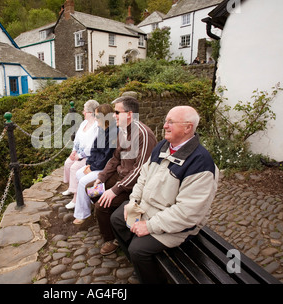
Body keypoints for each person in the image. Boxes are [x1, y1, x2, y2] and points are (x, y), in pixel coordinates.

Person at [110, 105, 219, 284]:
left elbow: (187, 213)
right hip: (148, 208)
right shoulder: (163, 146)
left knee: (139, 249)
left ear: (188, 127)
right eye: (165, 121)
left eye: (171, 122)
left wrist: (149, 226)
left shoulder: (201, 164)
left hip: (179, 225)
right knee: (117, 219)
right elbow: (143, 176)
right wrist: (133, 201)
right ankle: (143, 266)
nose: (165, 126)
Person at [93, 96, 156, 255]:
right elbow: (115, 159)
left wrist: (115, 189)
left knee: (101, 206)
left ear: (129, 114)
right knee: (92, 191)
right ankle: (109, 224)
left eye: (116, 112)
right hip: (120, 177)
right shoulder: (122, 132)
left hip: (134, 184)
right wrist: (101, 177)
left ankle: (112, 239)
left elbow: (139, 170)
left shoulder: (144, 134)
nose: (113, 115)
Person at [73, 104, 117, 225]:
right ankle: (93, 200)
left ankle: (83, 214)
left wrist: (92, 168)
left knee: (83, 182)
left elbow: (107, 157)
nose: (95, 118)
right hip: (96, 166)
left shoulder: (113, 133)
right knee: (79, 173)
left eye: (97, 116)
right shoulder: (102, 130)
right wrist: (89, 164)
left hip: (105, 169)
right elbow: (94, 150)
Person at [63, 100, 99, 209]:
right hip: (79, 152)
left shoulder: (97, 125)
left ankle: (76, 198)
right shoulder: (84, 123)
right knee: (67, 163)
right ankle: (71, 188)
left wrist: (80, 155)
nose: (83, 112)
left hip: (88, 156)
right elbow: (77, 139)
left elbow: (93, 146)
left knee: (75, 168)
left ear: (91, 112)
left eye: (85, 110)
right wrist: (74, 151)